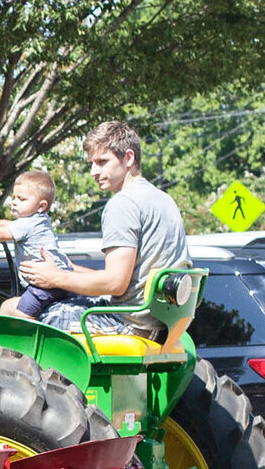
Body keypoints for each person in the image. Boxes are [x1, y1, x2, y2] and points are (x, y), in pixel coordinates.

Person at [20, 122, 189, 336]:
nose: (93, 172)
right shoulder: (163, 199)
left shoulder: (123, 203)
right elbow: (131, 279)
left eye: (102, 162)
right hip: (161, 326)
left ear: (128, 158)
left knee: (18, 312)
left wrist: (54, 278)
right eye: (92, 163)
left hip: (127, 324)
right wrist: (69, 269)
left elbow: (115, 283)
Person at [0, 169, 80, 319]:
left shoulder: (27, 224)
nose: (14, 202)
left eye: (21, 199)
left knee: (20, 317)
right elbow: (14, 228)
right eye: (14, 197)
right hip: (61, 279)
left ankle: (26, 339)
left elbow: (0, 234)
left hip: (43, 285)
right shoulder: (40, 220)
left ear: (41, 206)